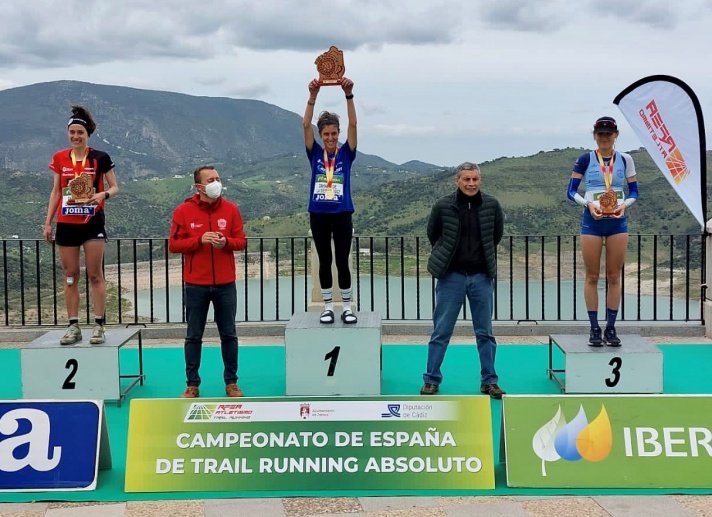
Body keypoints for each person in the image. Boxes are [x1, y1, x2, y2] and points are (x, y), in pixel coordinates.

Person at [421, 162, 505, 399]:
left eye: (475, 179)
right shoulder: (442, 206)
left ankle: (489, 381)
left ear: (480, 180)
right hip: (451, 278)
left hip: (481, 277)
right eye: (466, 179)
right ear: (457, 180)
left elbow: (495, 235)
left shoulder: (492, 205)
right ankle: (431, 379)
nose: (471, 184)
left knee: (485, 332)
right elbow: (433, 234)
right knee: (441, 331)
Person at [169, 165, 247, 398]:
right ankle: (192, 384)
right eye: (211, 179)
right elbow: (174, 245)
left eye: (218, 178)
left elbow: (241, 241)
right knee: (194, 335)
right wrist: (199, 240)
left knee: (229, 334)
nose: (217, 183)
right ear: (199, 186)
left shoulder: (231, 209)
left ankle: (231, 382)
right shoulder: (183, 211)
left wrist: (227, 243)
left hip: (225, 283)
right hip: (195, 284)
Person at [43, 105, 118, 346]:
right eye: (72, 132)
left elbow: (115, 187)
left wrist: (102, 195)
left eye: (80, 133)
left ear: (87, 135)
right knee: (70, 275)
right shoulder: (60, 158)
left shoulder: (100, 157)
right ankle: (73, 326)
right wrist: (48, 222)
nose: (76, 136)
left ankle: (98, 325)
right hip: (66, 223)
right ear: (68, 133)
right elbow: (56, 191)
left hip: (92, 222)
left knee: (95, 275)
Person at [567, 116, 638, 347]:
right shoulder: (585, 159)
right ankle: (594, 328)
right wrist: (588, 204)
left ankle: (611, 327)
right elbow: (571, 191)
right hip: (592, 220)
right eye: (600, 133)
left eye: (609, 133)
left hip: (617, 221)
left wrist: (623, 206)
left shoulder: (626, 159)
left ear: (616, 134)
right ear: (594, 135)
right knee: (592, 276)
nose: (605, 137)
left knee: (614, 276)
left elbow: (634, 191)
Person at [302, 76, 358, 325]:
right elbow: (305, 125)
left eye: (334, 133)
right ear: (321, 134)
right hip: (318, 213)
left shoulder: (346, 152)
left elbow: (354, 124)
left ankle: (346, 307)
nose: (331, 137)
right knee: (324, 260)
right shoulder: (314, 152)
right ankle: (327, 307)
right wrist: (312, 97)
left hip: (343, 212)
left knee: (342, 260)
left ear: (339, 133)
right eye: (326, 133)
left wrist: (349, 95)